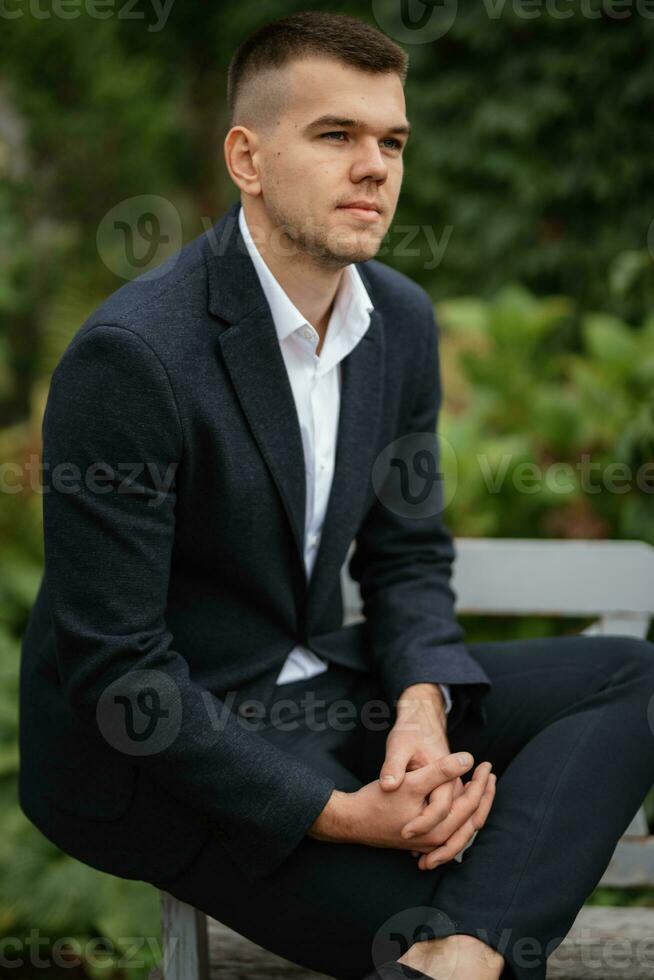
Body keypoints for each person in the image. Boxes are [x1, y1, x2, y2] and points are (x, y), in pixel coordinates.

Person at [18, 11, 654, 980]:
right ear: (247, 157)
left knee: (634, 675)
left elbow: (405, 553)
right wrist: (347, 814)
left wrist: (420, 707)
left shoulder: (397, 319)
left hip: (316, 685)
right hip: (172, 751)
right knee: (467, 884)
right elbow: (120, 675)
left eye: (392, 140)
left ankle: (466, 956)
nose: (376, 167)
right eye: (336, 135)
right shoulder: (133, 360)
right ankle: (466, 934)